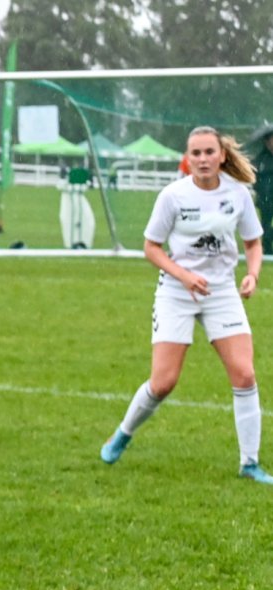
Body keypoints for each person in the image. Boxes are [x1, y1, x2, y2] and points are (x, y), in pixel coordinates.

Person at [100, 126, 273, 484]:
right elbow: (151, 248)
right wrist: (183, 275)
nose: (203, 159)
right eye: (196, 153)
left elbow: (253, 242)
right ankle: (123, 434)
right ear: (187, 158)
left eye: (209, 152)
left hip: (221, 292)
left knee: (244, 375)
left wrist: (253, 275)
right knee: (163, 382)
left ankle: (250, 463)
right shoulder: (173, 196)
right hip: (176, 293)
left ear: (222, 155)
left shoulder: (237, 193)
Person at [253, 133, 273, 256]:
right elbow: (254, 178)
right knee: (265, 224)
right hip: (265, 198)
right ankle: (267, 249)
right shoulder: (261, 159)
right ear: (266, 142)